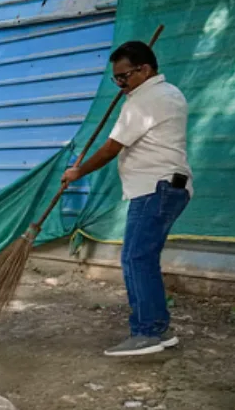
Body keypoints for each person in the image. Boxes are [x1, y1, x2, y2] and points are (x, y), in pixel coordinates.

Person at [60, 40, 193, 357]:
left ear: (144, 70)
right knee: (143, 258)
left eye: (124, 76)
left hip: (154, 189)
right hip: (171, 188)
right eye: (116, 78)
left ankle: (147, 333)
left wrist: (78, 171)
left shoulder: (144, 100)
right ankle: (157, 328)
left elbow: (111, 148)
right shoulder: (170, 93)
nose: (120, 84)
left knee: (135, 258)